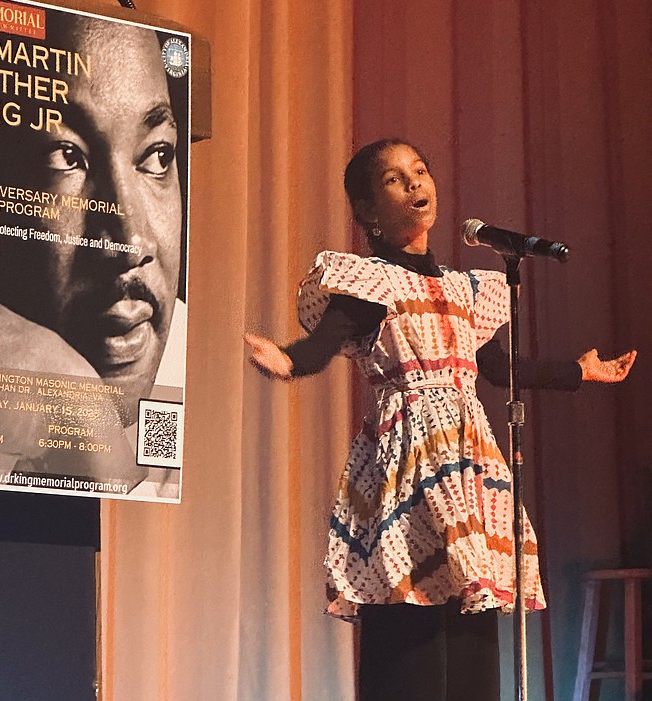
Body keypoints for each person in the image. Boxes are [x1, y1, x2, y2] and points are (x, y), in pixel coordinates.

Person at [245, 138, 636, 701]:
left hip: (469, 466)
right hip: (408, 462)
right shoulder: (368, 282)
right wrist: (286, 361)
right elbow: (322, 344)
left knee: (469, 613)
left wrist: (577, 371)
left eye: (420, 171)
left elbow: (499, 369)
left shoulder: (466, 288)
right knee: (413, 617)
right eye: (394, 179)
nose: (414, 184)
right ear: (369, 214)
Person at [0, 13, 187, 494]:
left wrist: (78, 415)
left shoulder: (179, 361)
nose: (131, 242)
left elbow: (144, 501)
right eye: (65, 156)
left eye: (157, 155)